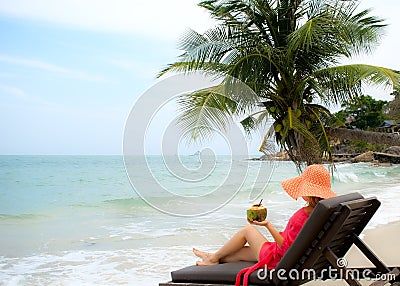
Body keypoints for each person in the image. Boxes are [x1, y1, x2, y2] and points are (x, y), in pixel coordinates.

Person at [193, 164, 337, 285]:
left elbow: (287, 248)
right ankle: (212, 256)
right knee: (235, 255)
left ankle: (212, 258)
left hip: (279, 260)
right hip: (298, 260)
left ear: (308, 191)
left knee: (248, 230)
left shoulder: (302, 215)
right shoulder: (325, 212)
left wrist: (268, 225)